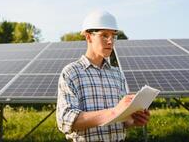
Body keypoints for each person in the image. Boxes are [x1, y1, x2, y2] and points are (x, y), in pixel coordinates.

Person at [56, 10, 150, 142]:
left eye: (113, 36)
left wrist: (133, 120)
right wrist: (114, 112)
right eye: (104, 35)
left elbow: (122, 120)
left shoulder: (117, 74)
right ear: (88, 37)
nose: (110, 41)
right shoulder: (72, 72)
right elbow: (66, 120)